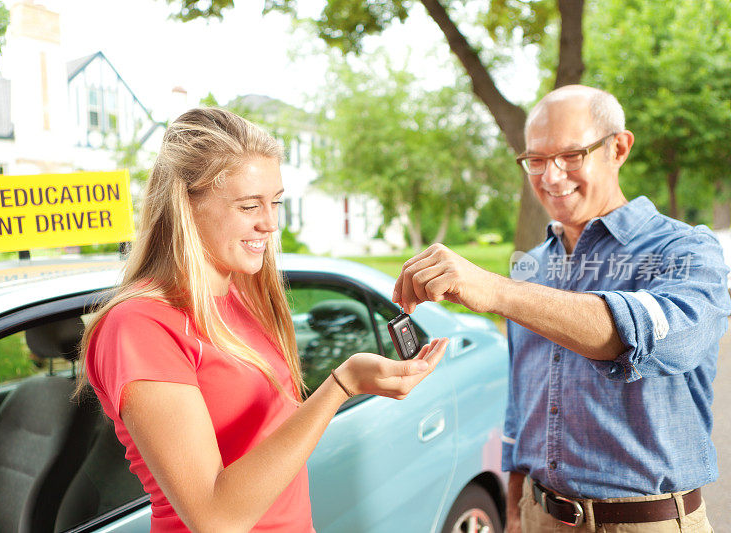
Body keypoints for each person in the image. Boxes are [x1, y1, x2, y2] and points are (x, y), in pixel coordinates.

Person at [78, 108, 448, 532]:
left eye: (275, 202)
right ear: (187, 205)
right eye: (249, 205)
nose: (269, 223)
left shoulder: (240, 295)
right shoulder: (140, 326)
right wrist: (341, 386)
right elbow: (215, 517)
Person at [392, 85, 730, 531]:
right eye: (536, 159)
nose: (551, 177)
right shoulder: (531, 266)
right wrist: (514, 508)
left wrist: (496, 291)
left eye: (572, 155)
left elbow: (661, 337)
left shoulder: (685, 249)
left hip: (646, 522)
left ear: (618, 148)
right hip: (537, 515)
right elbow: (522, 401)